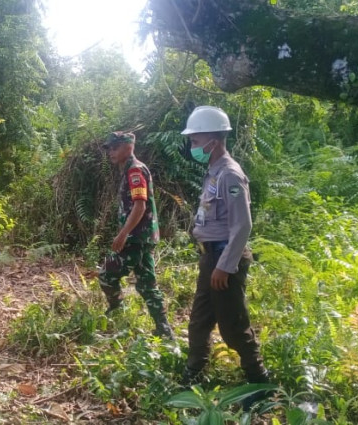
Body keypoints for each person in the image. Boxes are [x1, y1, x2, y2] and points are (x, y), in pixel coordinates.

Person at [179, 107, 269, 407]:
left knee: (232, 326)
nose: (193, 146)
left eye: (195, 140)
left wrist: (225, 266)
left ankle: (260, 384)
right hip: (210, 259)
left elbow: (242, 225)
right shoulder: (213, 172)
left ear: (213, 142)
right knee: (199, 320)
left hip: (223, 259)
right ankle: (194, 374)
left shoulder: (230, 174)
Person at [98, 131, 174, 339]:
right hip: (140, 237)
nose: (110, 152)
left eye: (114, 147)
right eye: (109, 148)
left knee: (106, 274)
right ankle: (165, 331)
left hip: (137, 238)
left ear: (128, 147)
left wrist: (122, 235)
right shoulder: (129, 170)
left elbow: (140, 206)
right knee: (147, 285)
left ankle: (117, 312)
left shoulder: (135, 171)